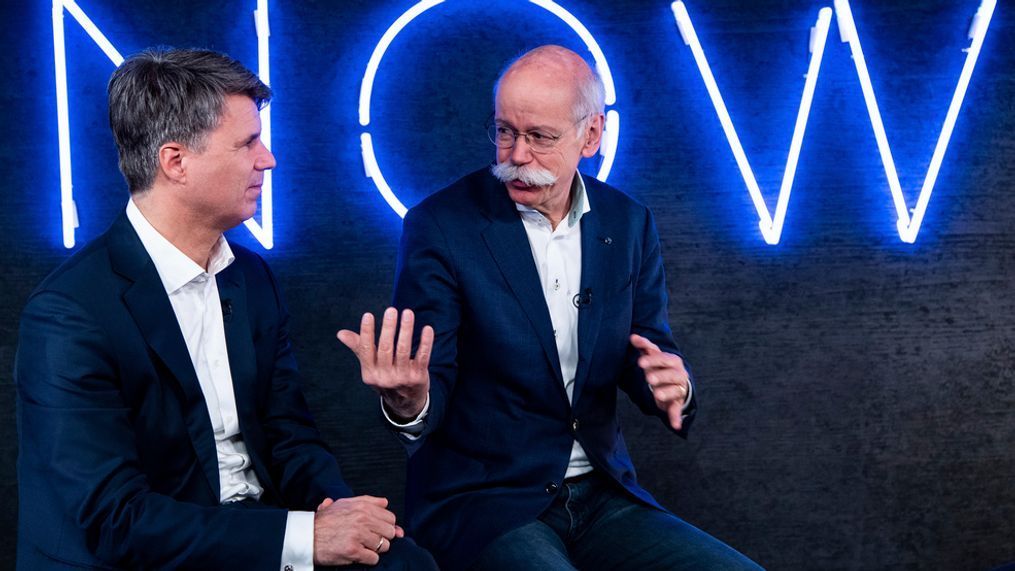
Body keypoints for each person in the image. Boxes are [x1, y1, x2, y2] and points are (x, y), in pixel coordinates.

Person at [338, 45, 764, 570]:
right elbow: (431, 386)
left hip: (605, 496)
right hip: (486, 502)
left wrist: (672, 385)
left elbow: (646, 349)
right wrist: (409, 401)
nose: (516, 155)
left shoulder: (627, 223)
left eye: (540, 137)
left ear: (591, 135)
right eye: (504, 132)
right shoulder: (441, 227)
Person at [15, 48, 436, 571]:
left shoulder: (251, 278)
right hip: (148, 553)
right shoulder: (70, 313)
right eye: (247, 143)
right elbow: (115, 519)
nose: (268, 159)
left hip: (262, 532)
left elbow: (290, 438)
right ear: (176, 163)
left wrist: (340, 514)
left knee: (405, 563)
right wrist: (308, 537)